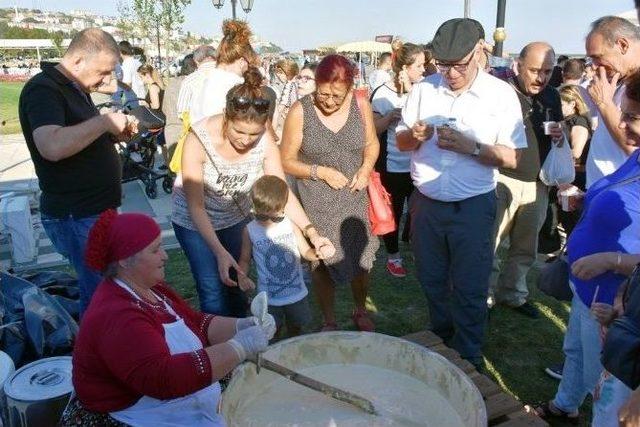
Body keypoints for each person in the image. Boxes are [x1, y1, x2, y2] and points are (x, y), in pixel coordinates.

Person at [394, 18, 526, 369]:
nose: (450, 73)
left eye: (459, 65)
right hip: (426, 205)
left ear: (480, 51)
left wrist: (474, 147)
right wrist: (416, 136)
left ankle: (468, 357)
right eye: (442, 64)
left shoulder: (501, 95)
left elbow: (514, 157)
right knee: (432, 280)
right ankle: (440, 341)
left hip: (473, 205)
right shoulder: (423, 90)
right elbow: (401, 141)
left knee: (470, 285)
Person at [63, 210, 275, 426]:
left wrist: (241, 326)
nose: (165, 255)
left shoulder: (152, 288)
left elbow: (196, 324)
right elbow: (164, 380)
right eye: (155, 250)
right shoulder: (117, 315)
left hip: (166, 399)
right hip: (132, 411)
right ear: (125, 260)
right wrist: (239, 347)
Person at [172, 67, 334, 317]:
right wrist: (219, 252)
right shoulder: (198, 139)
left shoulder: (265, 139)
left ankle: (239, 336)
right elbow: (196, 207)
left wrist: (311, 232)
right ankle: (217, 345)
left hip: (234, 216)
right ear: (226, 117)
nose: (246, 140)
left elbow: (281, 191)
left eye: (254, 134)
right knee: (212, 287)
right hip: (194, 221)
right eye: (239, 131)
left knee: (237, 280)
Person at [534, 69, 640, 426]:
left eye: (632, 116)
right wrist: (588, 200)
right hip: (592, 289)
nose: (621, 125)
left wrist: (612, 260)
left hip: (618, 298)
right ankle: (565, 405)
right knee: (576, 352)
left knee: (607, 391)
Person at [18, 28, 135, 315]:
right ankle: (99, 353)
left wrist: (113, 135)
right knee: (100, 294)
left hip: (93, 210)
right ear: (79, 61)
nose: (106, 80)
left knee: (107, 286)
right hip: (77, 214)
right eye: (102, 72)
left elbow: (78, 138)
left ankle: (106, 344)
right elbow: (52, 145)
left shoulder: (76, 88)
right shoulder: (43, 89)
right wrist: (106, 122)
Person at [280, 54, 381, 332]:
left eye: (337, 95)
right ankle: (329, 319)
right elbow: (285, 160)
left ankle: (360, 309)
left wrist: (365, 169)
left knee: (361, 258)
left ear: (349, 88)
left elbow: (371, 144)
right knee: (323, 260)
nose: (329, 101)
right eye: (323, 93)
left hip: (355, 197)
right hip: (317, 201)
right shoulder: (301, 111)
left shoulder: (361, 104)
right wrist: (320, 172)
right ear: (316, 84)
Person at [488, 42, 564, 319]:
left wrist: (559, 133)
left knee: (526, 246)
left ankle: (513, 294)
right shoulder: (500, 94)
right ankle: (484, 296)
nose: (540, 77)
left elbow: (556, 131)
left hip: (538, 183)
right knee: (491, 243)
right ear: (518, 65)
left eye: (547, 71)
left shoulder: (552, 96)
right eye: (534, 70)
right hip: (502, 178)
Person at [238, 175, 334, 338]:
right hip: (269, 299)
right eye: (261, 216)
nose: (268, 221)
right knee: (270, 333)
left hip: (297, 295)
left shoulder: (290, 224)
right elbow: (245, 259)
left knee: (297, 332)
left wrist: (317, 254)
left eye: (275, 216)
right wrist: (242, 276)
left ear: (283, 207)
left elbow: (305, 252)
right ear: (254, 207)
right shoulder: (250, 230)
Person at [371, 41, 425, 278]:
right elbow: (372, 129)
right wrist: (391, 116)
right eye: (420, 66)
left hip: (419, 164)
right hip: (392, 164)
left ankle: (416, 248)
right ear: (404, 67)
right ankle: (393, 256)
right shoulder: (382, 93)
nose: (424, 70)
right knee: (392, 213)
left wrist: (412, 94)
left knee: (419, 212)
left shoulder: (422, 90)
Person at [585, 16, 640, 188]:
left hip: (621, 195)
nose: (594, 66)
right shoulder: (619, 80)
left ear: (623, 45)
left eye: (597, 57)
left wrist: (604, 103)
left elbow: (633, 147)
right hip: (603, 190)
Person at [163, 54, 196, 151]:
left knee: (174, 164)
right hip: (190, 131)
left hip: (171, 130)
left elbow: (165, 108)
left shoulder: (172, 83)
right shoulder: (196, 83)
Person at [176, 45, 218, 124]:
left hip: (200, 130)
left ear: (196, 61)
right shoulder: (229, 76)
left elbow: (182, 112)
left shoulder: (189, 81)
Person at [138, 64, 169, 168]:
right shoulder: (159, 84)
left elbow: (155, 105)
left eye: (141, 77)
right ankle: (167, 163)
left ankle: (166, 164)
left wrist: (146, 104)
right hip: (162, 117)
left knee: (154, 141)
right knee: (163, 142)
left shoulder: (152, 87)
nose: (141, 80)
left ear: (147, 75)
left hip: (157, 118)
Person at [272, 58, 299, 139]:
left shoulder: (289, 85)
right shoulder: (296, 83)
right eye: (277, 73)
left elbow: (283, 104)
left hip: (289, 118)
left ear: (288, 72)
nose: (278, 75)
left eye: (280, 73)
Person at [118, 41, 146, 106]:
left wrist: (122, 102)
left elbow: (127, 85)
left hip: (131, 103)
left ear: (120, 52)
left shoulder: (126, 65)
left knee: (123, 115)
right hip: (141, 98)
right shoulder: (138, 63)